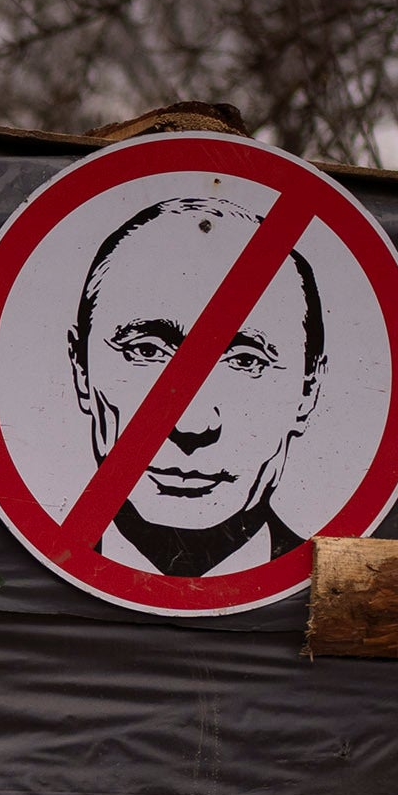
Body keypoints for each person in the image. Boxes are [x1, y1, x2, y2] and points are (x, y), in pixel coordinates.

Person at [64, 187, 330, 580]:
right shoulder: (12, 591)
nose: (191, 425)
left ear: (308, 392)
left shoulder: (342, 600)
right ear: (81, 370)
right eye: (147, 351)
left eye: (245, 360)